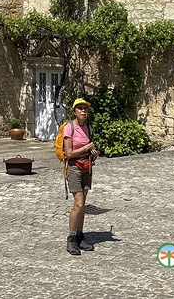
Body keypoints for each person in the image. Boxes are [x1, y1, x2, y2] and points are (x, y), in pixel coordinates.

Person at [63, 97, 98, 256]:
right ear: (74, 111)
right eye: (80, 108)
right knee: (78, 204)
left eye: (85, 109)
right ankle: (71, 238)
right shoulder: (69, 128)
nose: (83, 111)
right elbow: (69, 153)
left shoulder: (88, 128)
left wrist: (93, 153)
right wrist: (86, 147)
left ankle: (79, 235)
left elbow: (88, 150)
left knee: (83, 204)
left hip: (87, 167)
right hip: (74, 168)